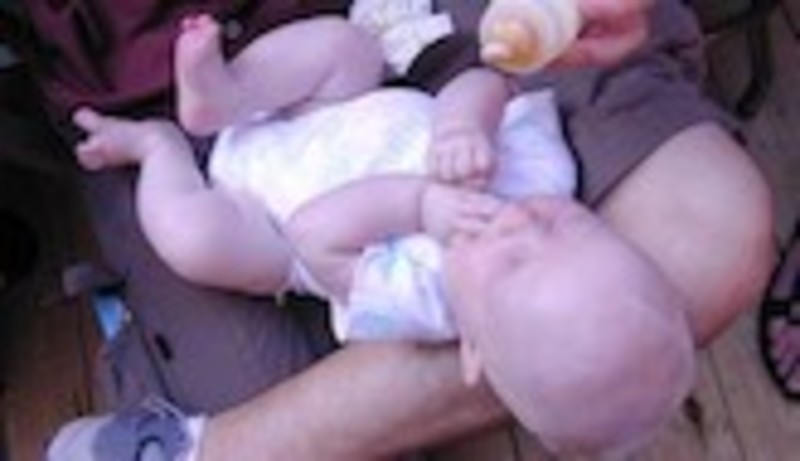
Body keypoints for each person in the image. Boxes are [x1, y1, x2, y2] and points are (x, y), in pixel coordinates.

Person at [26, 0, 774, 460]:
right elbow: (491, 87)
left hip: (264, 208)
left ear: (470, 347)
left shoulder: (420, 299)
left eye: (515, 264)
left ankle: (158, 148)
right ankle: (222, 94)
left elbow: (316, 237)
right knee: (344, 49)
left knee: (196, 239)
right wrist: (463, 123)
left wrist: (419, 207)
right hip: (343, 104)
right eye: (572, 229)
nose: (524, 224)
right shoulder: (541, 177)